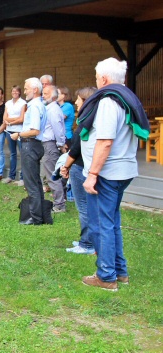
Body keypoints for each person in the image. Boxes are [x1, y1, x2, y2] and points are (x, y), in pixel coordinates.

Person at [79, 58, 149, 291]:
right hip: (123, 170)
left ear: (105, 79)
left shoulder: (109, 102)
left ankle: (106, 276)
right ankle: (120, 272)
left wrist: (92, 174)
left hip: (108, 173)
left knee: (101, 224)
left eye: (97, 78)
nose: (97, 82)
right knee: (112, 223)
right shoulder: (127, 99)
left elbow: (105, 141)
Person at [60, 87, 97, 255]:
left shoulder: (86, 121)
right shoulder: (92, 118)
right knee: (88, 207)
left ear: (86, 101)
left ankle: (87, 244)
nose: (75, 102)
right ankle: (89, 240)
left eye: (79, 99)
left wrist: (66, 166)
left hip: (80, 166)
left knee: (83, 207)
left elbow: (76, 148)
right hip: (83, 165)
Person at [10, 78, 47, 225]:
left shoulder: (34, 106)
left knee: (31, 183)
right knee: (36, 182)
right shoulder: (40, 105)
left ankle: (35, 218)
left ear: (35, 89)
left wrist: (18, 134)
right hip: (35, 145)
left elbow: (34, 130)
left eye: (26, 89)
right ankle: (40, 214)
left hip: (30, 145)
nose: (24, 92)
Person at [41, 85, 67, 213]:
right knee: (54, 173)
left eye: (46, 93)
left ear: (53, 96)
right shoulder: (50, 108)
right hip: (50, 144)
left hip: (50, 144)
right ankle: (61, 200)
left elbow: (58, 129)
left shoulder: (53, 110)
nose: (43, 95)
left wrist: (61, 144)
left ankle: (59, 205)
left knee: (52, 175)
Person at [1, 85, 27, 184]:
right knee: (12, 154)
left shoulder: (23, 103)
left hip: (19, 131)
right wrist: (14, 119)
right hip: (9, 131)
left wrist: (10, 120)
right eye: (13, 91)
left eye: (16, 91)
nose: (14, 93)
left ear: (19, 92)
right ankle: (11, 176)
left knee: (22, 153)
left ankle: (23, 178)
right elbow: (4, 118)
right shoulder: (8, 103)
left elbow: (22, 119)